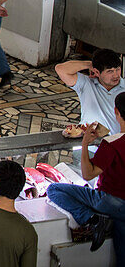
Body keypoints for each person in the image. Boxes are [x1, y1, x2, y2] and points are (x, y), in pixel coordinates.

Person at [47, 95, 125, 260]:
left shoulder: (112, 144)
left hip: (110, 201)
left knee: (54, 189)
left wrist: (84, 144)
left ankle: (93, 220)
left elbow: (88, 173)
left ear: (116, 112)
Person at [55, 49, 125, 135]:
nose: (116, 75)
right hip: (89, 144)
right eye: (110, 71)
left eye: (117, 69)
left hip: (115, 145)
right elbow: (60, 69)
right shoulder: (86, 83)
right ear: (96, 72)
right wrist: (89, 64)